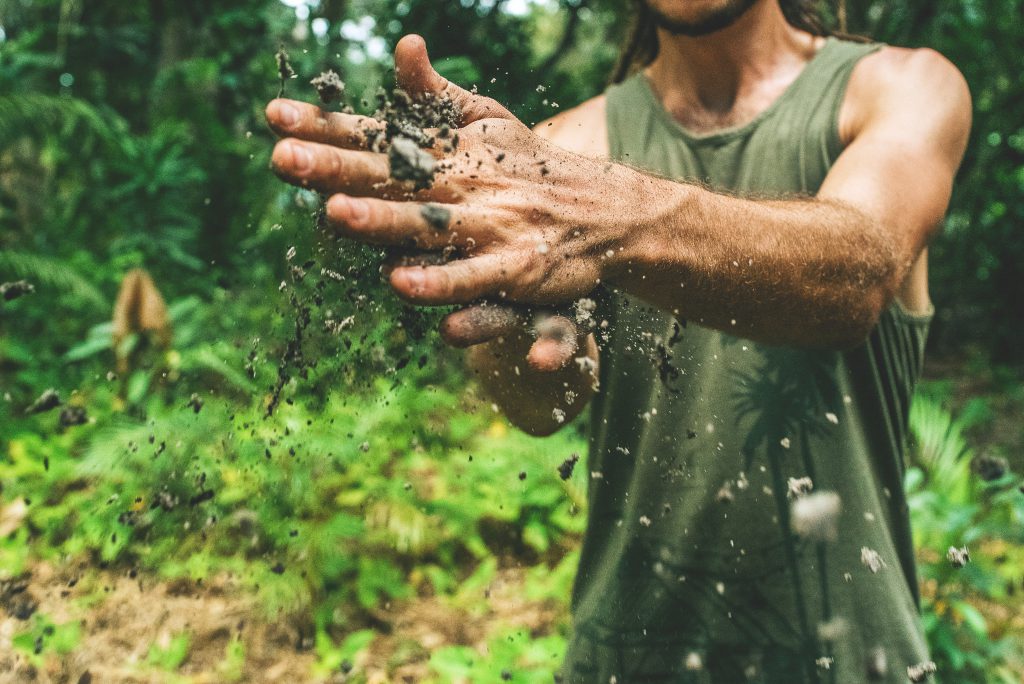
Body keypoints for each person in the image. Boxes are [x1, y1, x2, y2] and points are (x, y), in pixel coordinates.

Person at [265, 0, 971, 680]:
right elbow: (540, 407)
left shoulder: (900, 87)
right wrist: (531, 337)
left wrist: (611, 216)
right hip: (627, 658)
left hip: (851, 658)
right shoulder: (563, 149)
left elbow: (855, 274)